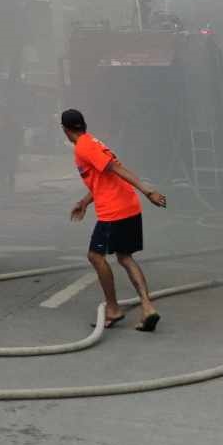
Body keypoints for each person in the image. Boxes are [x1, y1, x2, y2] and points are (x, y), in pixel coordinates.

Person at [61, 108, 168, 331]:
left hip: (115, 209)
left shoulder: (84, 147)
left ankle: (113, 308)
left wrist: (148, 192)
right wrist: (84, 202)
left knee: (95, 256)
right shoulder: (92, 141)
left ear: (64, 129)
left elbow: (115, 168)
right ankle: (148, 308)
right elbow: (103, 178)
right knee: (125, 257)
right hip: (128, 205)